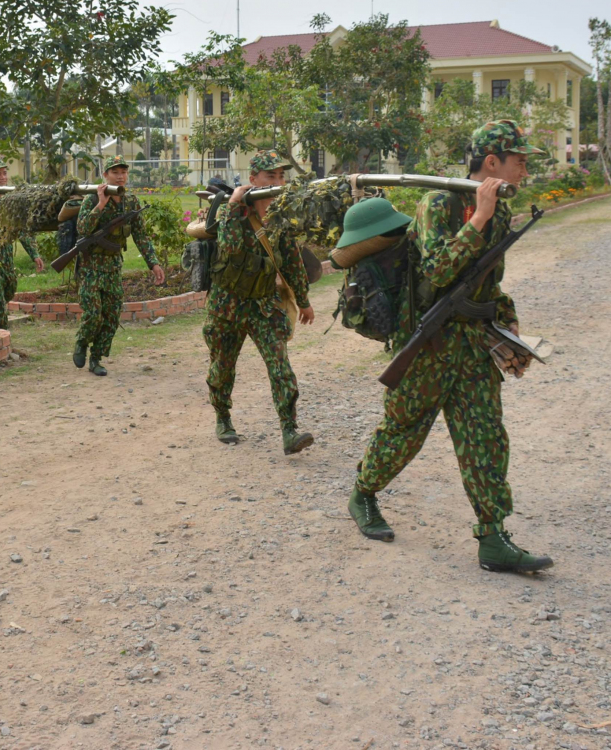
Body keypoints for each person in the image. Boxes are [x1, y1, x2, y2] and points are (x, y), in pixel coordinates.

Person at [348, 120, 554, 574]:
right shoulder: (439, 202)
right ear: (492, 161)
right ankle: (363, 493)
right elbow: (439, 271)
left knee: (485, 437)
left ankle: (493, 536)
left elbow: (487, 278)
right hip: (427, 343)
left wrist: (507, 320)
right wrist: (478, 217)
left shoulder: (500, 208)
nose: (525, 167)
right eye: (519, 159)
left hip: (472, 344)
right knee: (403, 434)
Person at [204, 151, 316, 454]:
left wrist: (303, 301)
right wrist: (232, 205)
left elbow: (292, 261)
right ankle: (223, 417)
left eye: (281, 176)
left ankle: (289, 430)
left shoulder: (280, 218)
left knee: (280, 367)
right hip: (227, 304)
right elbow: (229, 248)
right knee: (222, 368)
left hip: (263, 305)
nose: (277, 182)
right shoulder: (235, 212)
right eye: (270, 176)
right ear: (254, 179)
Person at [73, 156, 163, 376]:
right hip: (91, 266)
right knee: (94, 314)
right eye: (115, 172)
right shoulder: (92, 199)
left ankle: (96, 358)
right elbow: (83, 229)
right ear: (105, 175)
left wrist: (153, 263)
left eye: (124, 172)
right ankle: (82, 341)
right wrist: (101, 204)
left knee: (112, 316)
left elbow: (141, 236)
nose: (121, 176)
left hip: (113, 266)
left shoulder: (131, 202)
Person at [0, 157, 45, 328]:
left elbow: (20, 229)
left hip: (6, 253)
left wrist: (34, 254)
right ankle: (1, 335)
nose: (3, 177)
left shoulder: (11, 199)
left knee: (9, 290)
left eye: (4, 173)